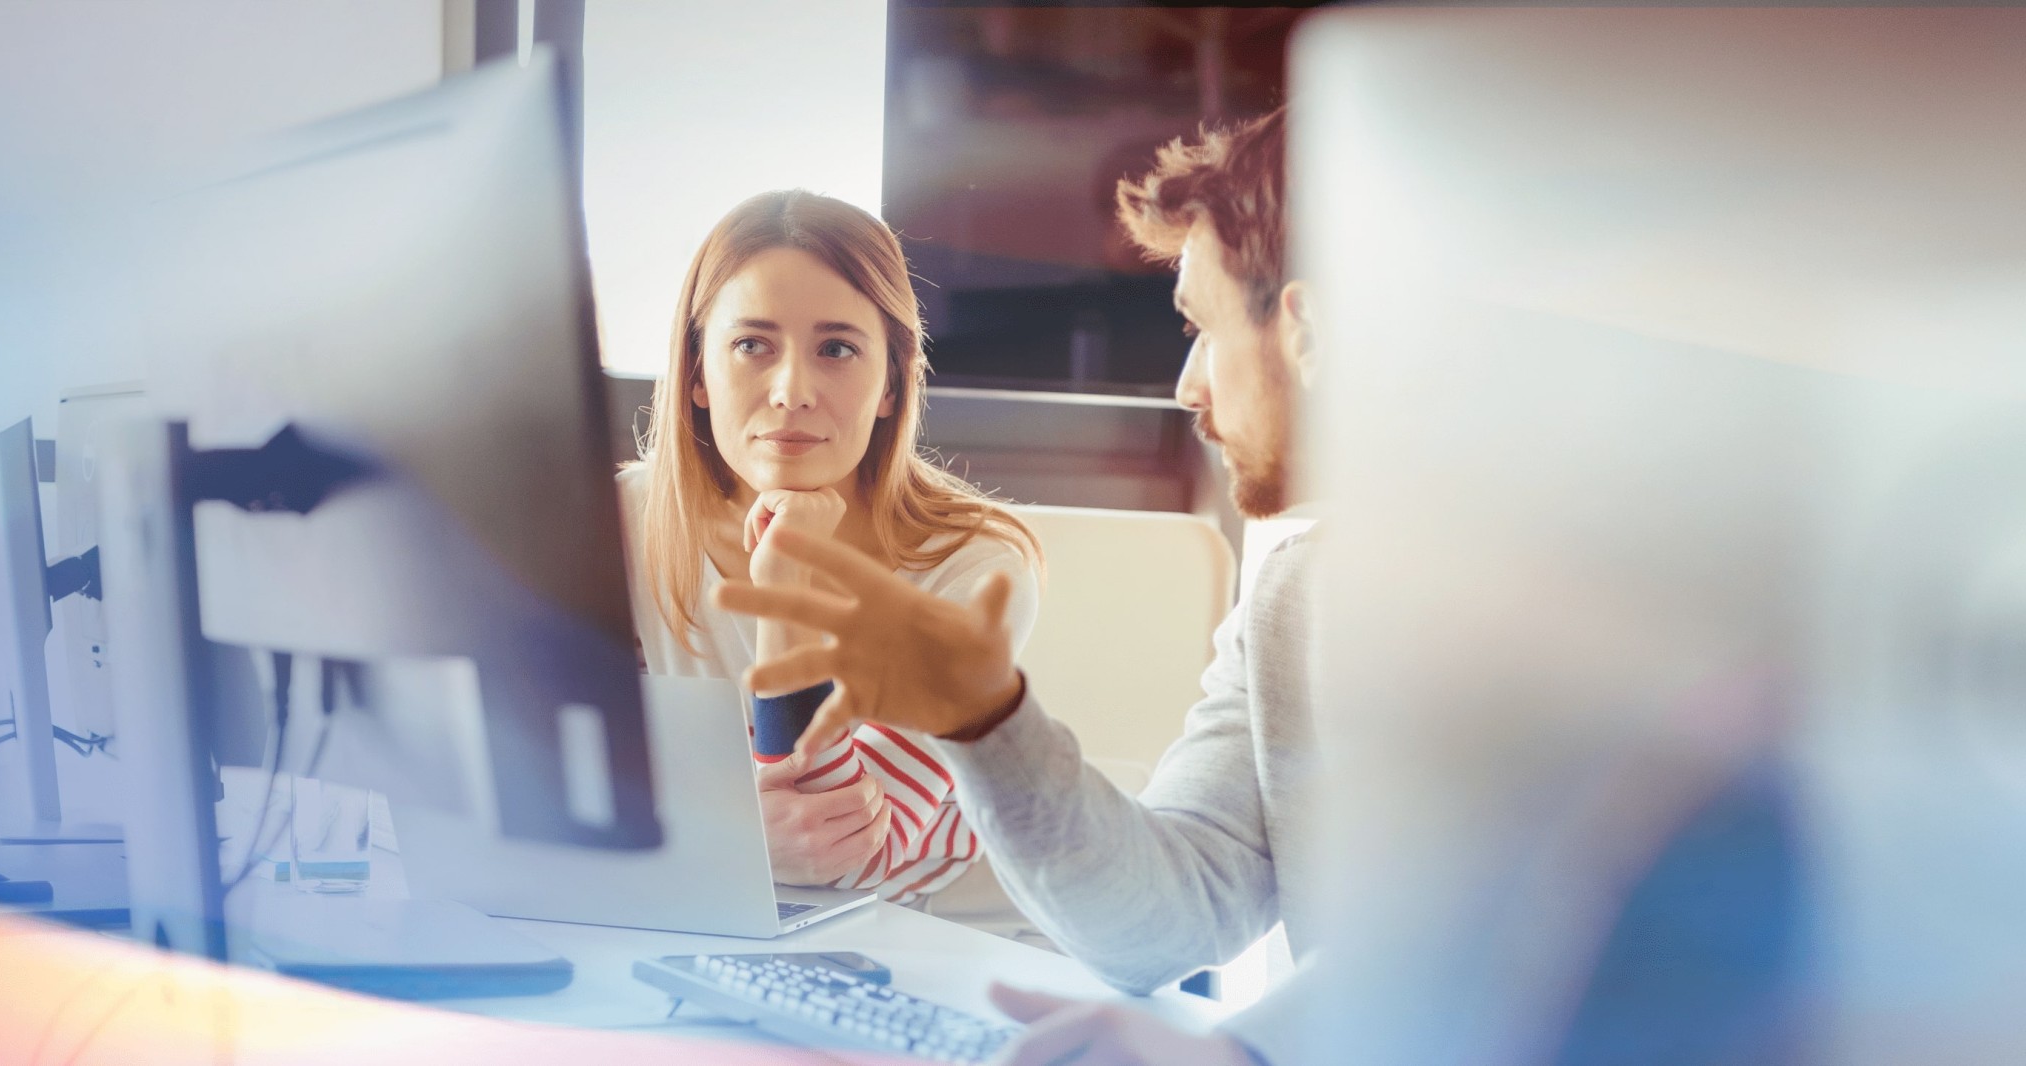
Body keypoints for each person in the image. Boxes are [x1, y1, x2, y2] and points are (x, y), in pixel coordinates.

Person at [713, 112, 1807, 1065]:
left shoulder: (1609, 584)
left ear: (1310, 329)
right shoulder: (1294, 596)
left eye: (1198, 327)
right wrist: (981, 715)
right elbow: (1162, 921)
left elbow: (1525, 916)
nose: (1187, 384)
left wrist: (1243, 1050)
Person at [620, 190, 1045, 910]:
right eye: (752, 345)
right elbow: (535, 787)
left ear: (890, 383)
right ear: (696, 373)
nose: (792, 391)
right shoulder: (618, 522)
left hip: (927, 936)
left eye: (838, 349)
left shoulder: (975, 568)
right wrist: (729, 833)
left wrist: (787, 585)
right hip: (696, 911)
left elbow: (841, 858)